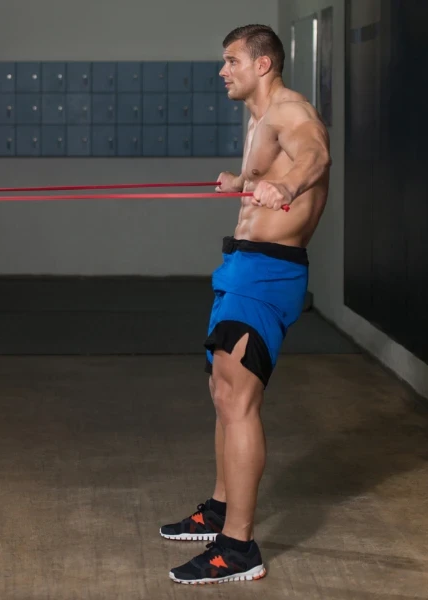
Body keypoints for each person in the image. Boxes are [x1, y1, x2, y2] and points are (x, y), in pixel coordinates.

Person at [160, 24, 332, 585]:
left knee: (238, 401)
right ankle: (218, 508)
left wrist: (290, 188)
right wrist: (243, 180)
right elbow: (270, 170)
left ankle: (238, 548)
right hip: (242, 266)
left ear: (263, 64)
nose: (222, 69)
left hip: (267, 273)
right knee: (222, 390)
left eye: (231, 60)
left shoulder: (288, 110)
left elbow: (315, 154)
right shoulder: (258, 118)